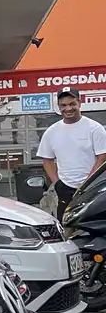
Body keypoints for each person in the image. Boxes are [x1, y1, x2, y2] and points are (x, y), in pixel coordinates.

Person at [36, 87, 106, 222]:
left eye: (72, 104)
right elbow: (47, 160)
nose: (68, 108)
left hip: (92, 189)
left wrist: (88, 183)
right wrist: (57, 183)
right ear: (58, 107)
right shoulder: (51, 132)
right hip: (65, 189)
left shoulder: (95, 128)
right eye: (63, 105)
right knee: (66, 225)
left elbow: (102, 158)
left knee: (93, 224)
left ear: (79, 103)